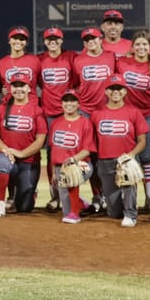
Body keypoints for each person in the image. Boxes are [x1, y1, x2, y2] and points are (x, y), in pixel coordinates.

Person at [91, 75, 148, 227]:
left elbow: (142, 141)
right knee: (114, 213)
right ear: (106, 92)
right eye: (111, 89)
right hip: (105, 161)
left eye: (119, 89)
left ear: (125, 92)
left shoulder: (133, 112)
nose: (115, 92)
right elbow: (92, 141)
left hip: (126, 160)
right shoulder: (97, 114)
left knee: (129, 180)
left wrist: (131, 156)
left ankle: (131, 213)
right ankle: (120, 207)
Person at [116, 30, 150, 209]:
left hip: (147, 115)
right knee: (124, 156)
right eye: (138, 44)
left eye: (145, 44)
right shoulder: (122, 62)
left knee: (148, 158)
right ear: (132, 47)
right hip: (126, 115)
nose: (141, 47)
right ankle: (124, 197)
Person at [0, 77, 47, 217]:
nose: (18, 89)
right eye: (15, 86)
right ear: (10, 89)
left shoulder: (36, 110)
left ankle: (29, 193)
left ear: (29, 89)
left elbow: (40, 139)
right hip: (7, 156)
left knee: (24, 207)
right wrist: (6, 151)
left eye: (22, 85)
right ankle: (0, 201)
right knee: (1, 163)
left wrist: (21, 153)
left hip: (28, 160)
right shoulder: (2, 109)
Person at [38, 26, 76, 210]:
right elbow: (37, 81)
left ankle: (87, 196)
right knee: (52, 156)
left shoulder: (71, 57)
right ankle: (55, 196)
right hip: (48, 114)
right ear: (44, 41)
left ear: (62, 40)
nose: (52, 42)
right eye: (49, 39)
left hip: (68, 113)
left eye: (56, 39)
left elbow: (76, 81)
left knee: (75, 154)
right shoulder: (40, 59)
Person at [48, 91, 95, 224]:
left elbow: (87, 150)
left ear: (79, 104)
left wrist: (73, 159)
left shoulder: (85, 123)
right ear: (61, 104)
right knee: (65, 210)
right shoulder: (56, 123)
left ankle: (75, 214)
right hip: (59, 167)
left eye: (73, 100)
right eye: (66, 101)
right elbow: (53, 149)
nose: (69, 103)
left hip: (81, 164)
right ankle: (80, 203)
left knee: (69, 175)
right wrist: (53, 173)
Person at [72, 27, 117, 115]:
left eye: (93, 38)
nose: (90, 41)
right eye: (86, 39)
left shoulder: (111, 56)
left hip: (107, 107)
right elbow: (75, 83)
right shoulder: (78, 60)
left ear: (100, 39)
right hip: (85, 108)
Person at [0, 26, 41, 102]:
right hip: (9, 107)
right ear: (9, 40)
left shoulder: (35, 60)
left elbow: (43, 84)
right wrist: (2, 90)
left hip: (30, 106)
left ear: (26, 42)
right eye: (15, 38)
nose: (18, 41)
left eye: (21, 39)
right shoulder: (2, 62)